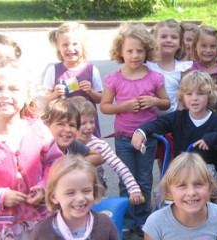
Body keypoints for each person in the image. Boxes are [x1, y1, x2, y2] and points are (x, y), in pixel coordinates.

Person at [0, 59, 64, 239]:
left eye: (14, 89)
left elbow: (56, 162)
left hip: (41, 221)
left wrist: (44, 187)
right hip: (2, 228)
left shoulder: (38, 130)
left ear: (28, 95)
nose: (5, 95)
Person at [100, 23, 171, 238]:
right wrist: (123, 107)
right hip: (123, 138)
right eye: (129, 51)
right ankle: (128, 218)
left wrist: (155, 100)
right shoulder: (115, 78)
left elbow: (166, 103)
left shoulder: (154, 77)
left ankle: (143, 218)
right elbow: (105, 106)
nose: (135, 55)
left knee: (144, 178)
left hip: (146, 138)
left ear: (147, 51)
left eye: (140, 50)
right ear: (120, 52)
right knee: (126, 178)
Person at [130, 71, 217, 207]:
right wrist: (142, 131)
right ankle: (166, 218)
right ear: (183, 97)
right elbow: (158, 124)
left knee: (200, 184)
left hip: (206, 168)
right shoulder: (179, 117)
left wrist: (213, 137)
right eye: (189, 94)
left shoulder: (216, 122)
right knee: (161, 192)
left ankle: (204, 212)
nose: (194, 98)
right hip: (181, 167)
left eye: (200, 93)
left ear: (209, 96)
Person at [142, 152, 217, 240]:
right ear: (169, 191)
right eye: (182, 185)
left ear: (210, 187)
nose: (191, 192)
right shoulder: (156, 223)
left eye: (198, 184)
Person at [69, 97, 144, 205]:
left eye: (92, 121)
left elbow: (119, 166)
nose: (89, 126)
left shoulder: (99, 144)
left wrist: (133, 188)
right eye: (83, 123)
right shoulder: (65, 144)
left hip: (95, 188)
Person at [30, 155, 117, 240]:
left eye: (86, 191)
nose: (80, 198)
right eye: (70, 193)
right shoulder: (41, 232)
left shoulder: (105, 224)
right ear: (54, 197)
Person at [42, 22, 104, 137]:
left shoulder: (91, 70)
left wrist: (90, 92)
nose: (70, 49)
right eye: (65, 45)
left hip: (86, 127)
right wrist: (55, 94)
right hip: (63, 127)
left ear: (82, 46)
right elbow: (45, 100)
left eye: (75, 44)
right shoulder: (53, 70)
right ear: (59, 48)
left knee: (90, 153)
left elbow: (100, 98)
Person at [147, 19, 192, 171]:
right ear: (155, 40)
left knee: (172, 158)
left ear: (180, 43)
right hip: (152, 119)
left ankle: (168, 189)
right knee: (157, 157)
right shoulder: (148, 66)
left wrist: (178, 116)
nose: (168, 40)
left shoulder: (183, 67)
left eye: (173, 37)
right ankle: (160, 188)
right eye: (164, 36)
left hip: (174, 118)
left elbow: (185, 93)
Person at [183, 25, 217, 123]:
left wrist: (203, 92)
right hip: (197, 116)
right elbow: (187, 91)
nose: (208, 50)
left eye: (213, 46)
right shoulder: (191, 68)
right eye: (203, 46)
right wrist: (215, 89)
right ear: (195, 47)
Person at [42, 98, 103, 166]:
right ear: (46, 125)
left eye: (72, 125)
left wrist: (72, 165)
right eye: (61, 124)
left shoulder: (72, 144)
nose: (67, 129)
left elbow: (98, 157)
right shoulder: (42, 152)